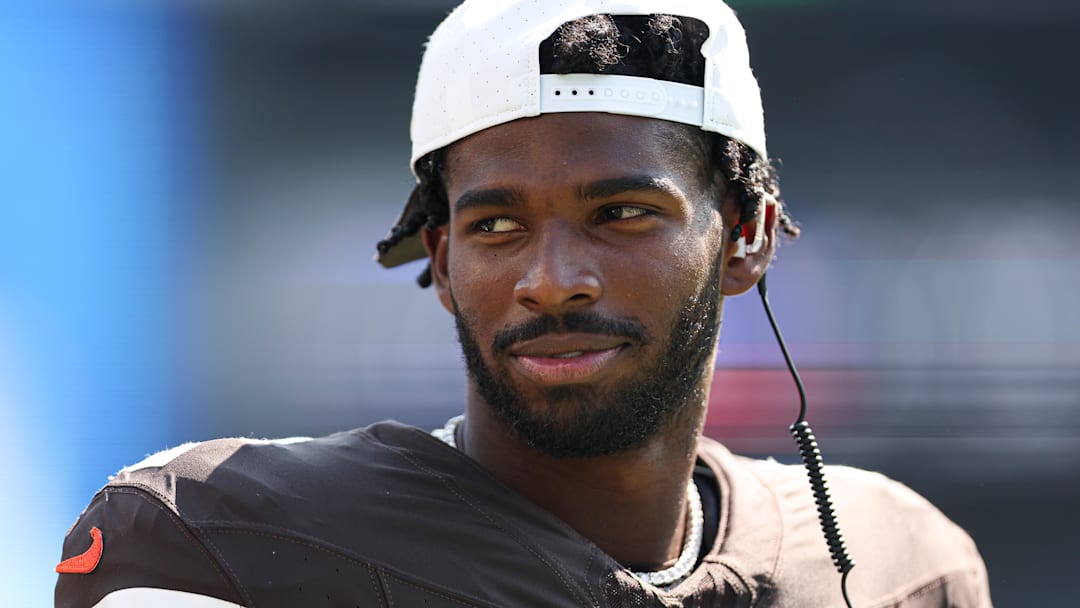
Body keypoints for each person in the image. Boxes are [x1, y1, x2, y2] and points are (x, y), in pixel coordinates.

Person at [55, 1, 992, 606]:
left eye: (622, 213)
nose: (552, 278)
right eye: (497, 225)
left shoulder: (902, 562)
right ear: (442, 260)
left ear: (745, 236)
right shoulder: (220, 541)